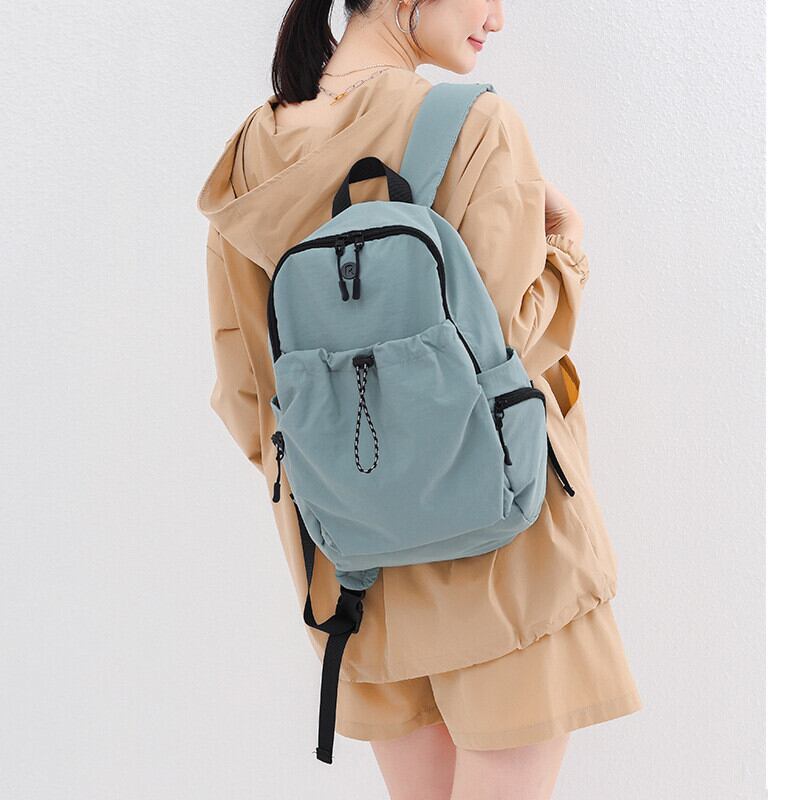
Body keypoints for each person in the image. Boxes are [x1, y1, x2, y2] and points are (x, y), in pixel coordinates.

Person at [196, 1, 643, 797]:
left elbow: (247, 392)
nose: (497, 19)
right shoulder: (474, 124)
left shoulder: (250, 161)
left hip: (352, 569)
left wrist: (355, 484)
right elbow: (507, 343)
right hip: (501, 548)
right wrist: (567, 248)